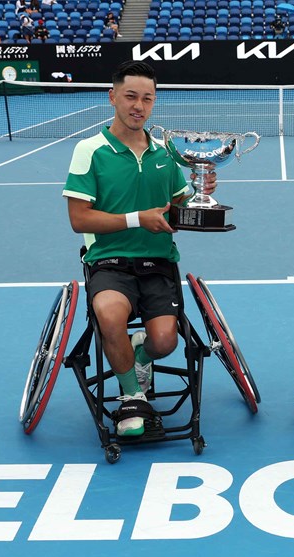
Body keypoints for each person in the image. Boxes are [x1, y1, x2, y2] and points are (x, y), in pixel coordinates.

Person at [62, 61, 217, 437]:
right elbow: (79, 219)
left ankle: (140, 355)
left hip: (158, 262)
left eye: (147, 98)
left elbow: (178, 207)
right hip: (109, 262)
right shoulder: (90, 150)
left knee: (164, 341)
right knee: (109, 315)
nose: (139, 106)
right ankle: (133, 396)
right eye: (131, 96)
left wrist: (201, 193)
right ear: (113, 96)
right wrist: (137, 219)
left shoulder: (167, 152)